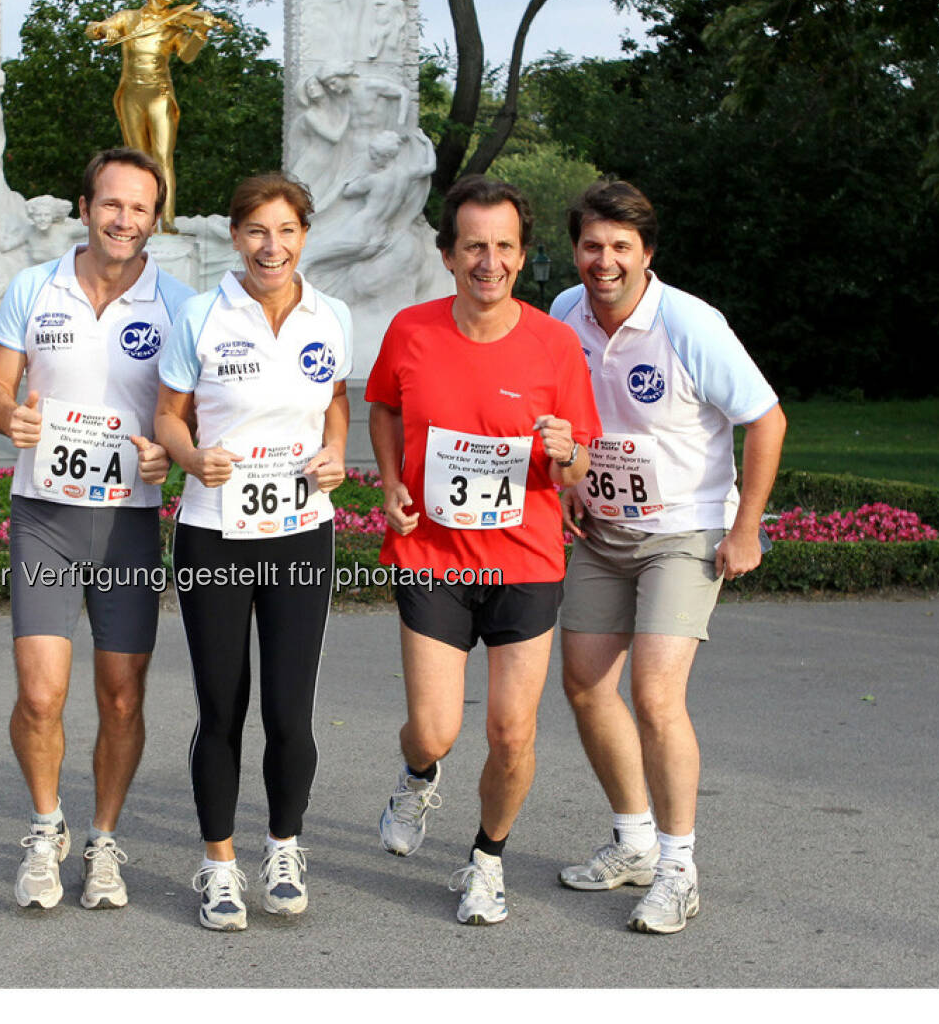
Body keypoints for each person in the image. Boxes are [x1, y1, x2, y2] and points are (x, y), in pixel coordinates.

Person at [550, 180, 786, 934]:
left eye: (622, 247)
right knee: (586, 686)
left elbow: (765, 418)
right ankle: (635, 844)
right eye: (593, 245)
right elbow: (559, 415)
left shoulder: (688, 322)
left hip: (683, 532)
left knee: (654, 695)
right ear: (577, 249)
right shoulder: (563, 312)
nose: (605, 260)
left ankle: (680, 869)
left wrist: (744, 526)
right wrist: (567, 482)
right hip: (602, 530)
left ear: (647, 254)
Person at [365, 176, 599, 926]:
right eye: (474, 246)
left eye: (503, 247)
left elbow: (579, 462)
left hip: (525, 560)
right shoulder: (412, 330)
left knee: (511, 731)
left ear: (523, 257)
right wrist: (392, 483)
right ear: (448, 254)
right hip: (433, 555)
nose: (488, 261)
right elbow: (383, 407)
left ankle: (487, 860)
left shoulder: (556, 345)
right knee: (436, 727)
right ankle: (418, 773)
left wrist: (568, 452)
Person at [0, 148, 193, 911]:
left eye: (140, 208)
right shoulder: (35, 288)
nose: (124, 220)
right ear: (84, 206)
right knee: (40, 695)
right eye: (111, 204)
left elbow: (185, 413)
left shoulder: (181, 304)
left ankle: (103, 839)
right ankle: (45, 828)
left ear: (155, 218)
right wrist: (13, 417)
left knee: (122, 697)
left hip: (129, 522)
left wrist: (172, 450)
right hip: (44, 516)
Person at [156, 172, 351, 931]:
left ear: (305, 236)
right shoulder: (203, 314)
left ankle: (284, 847)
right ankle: (218, 865)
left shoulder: (329, 314)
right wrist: (190, 455)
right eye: (257, 232)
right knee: (222, 707)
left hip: (303, 530)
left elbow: (336, 399)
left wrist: (336, 450)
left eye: (287, 231)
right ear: (234, 238)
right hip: (214, 529)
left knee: (291, 713)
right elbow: (168, 414)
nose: (273, 247)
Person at [85, 0, 233, 233]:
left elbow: (187, 56)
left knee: (163, 157)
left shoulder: (173, 23)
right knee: (136, 159)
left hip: (159, 94)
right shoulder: (128, 18)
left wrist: (201, 33)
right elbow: (94, 29)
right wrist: (101, 30)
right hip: (131, 94)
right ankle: (140, 219)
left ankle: (166, 218)